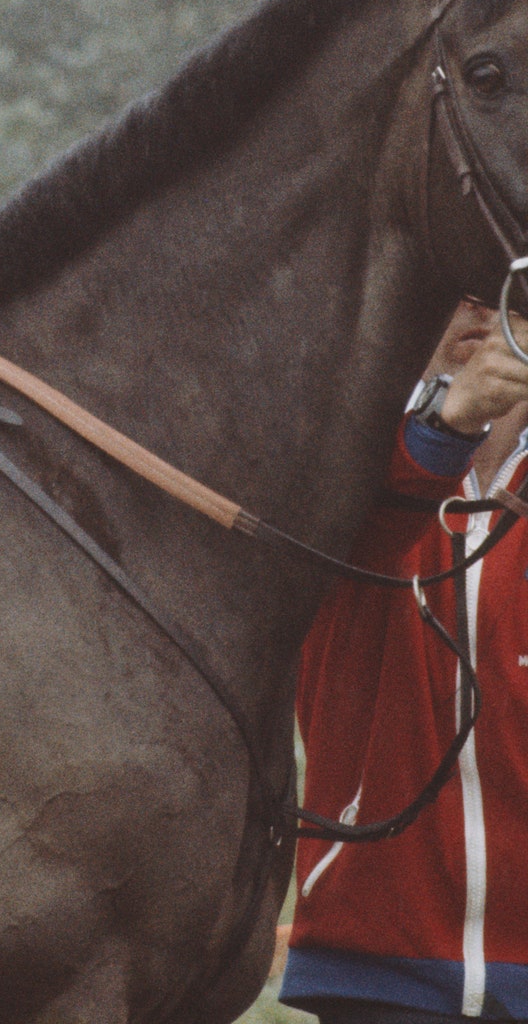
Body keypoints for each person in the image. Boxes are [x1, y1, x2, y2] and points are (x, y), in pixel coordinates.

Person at [281, 297, 528, 1023]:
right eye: (454, 283)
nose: (481, 306)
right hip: (373, 959)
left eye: (505, 280)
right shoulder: (331, 458)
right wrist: (445, 427)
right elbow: (355, 546)